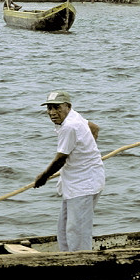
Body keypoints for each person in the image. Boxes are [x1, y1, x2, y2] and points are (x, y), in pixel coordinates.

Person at [34, 91, 105, 251]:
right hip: (74, 183)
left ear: (68, 106)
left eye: (57, 108)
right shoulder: (73, 116)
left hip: (84, 184)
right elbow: (94, 128)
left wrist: (43, 177)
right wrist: (86, 152)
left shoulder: (70, 126)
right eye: (49, 108)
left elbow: (60, 159)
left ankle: (81, 265)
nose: (52, 113)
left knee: (77, 232)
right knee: (64, 229)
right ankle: (67, 259)